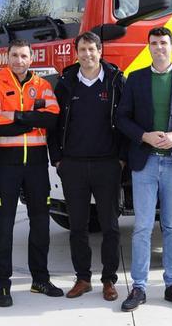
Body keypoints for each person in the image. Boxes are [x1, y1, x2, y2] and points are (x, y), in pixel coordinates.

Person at [116, 26, 172, 312]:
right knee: (142, 226)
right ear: (149, 47)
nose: (159, 47)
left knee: (171, 225)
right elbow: (122, 118)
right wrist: (143, 135)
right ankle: (140, 287)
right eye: (154, 43)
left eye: (164, 43)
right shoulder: (136, 78)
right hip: (144, 162)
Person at [49, 31, 126, 301]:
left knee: (110, 226)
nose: (87, 54)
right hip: (73, 166)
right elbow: (54, 123)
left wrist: (121, 158)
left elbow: (127, 119)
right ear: (76, 53)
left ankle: (109, 280)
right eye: (82, 49)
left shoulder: (116, 81)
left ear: (100, 51)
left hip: (108, 165)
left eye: (92, 49)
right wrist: (57, 158)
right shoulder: (67, 83)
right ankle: (83, 278)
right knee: (78, 226)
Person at [0, 39, 62, 307]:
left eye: (24, 56)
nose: (19, 60)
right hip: (6, 165)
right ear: (8, 58)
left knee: (41, 223)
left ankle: (40, 279)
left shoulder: (42, 86)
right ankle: (2, 285)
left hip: (37, 165)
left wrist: (17, 117)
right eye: (15, 56)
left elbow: (52, 118)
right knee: (3, 225)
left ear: (32, 59)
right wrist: (31, 118)